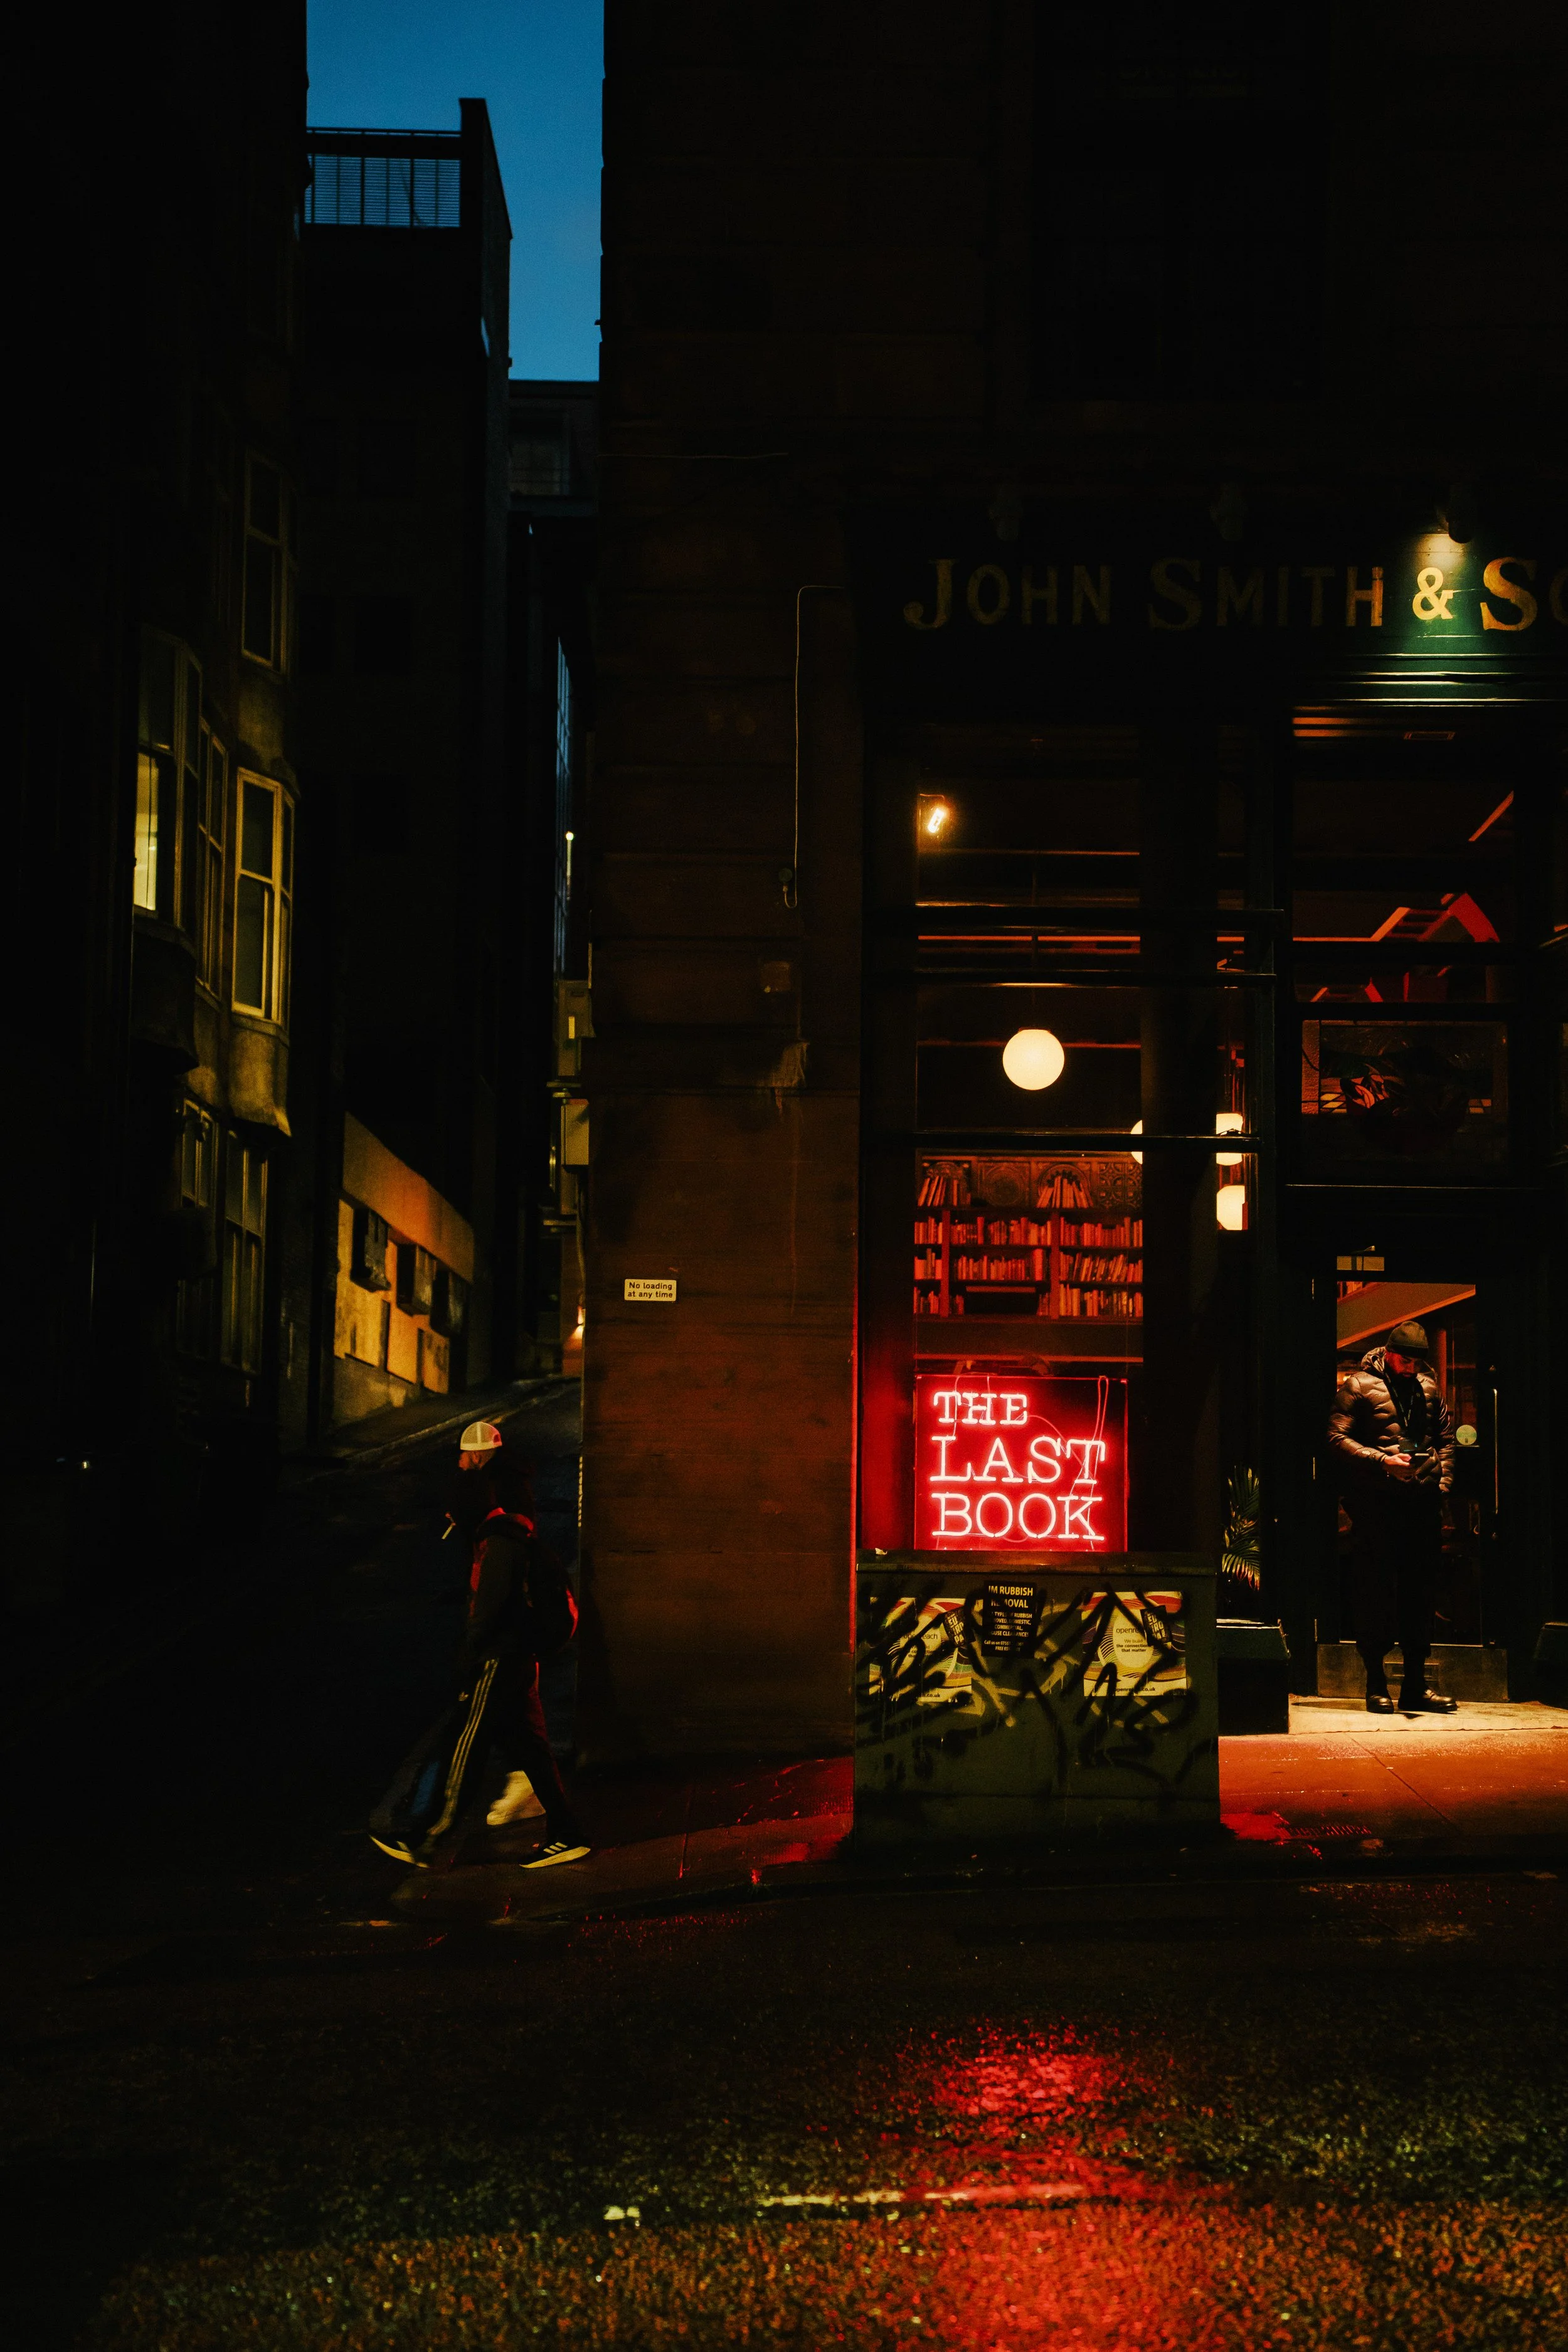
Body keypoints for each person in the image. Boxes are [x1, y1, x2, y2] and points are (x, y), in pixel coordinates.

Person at [420, 1419, 589, 1868]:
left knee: (467, 1741)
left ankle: (428, 1836)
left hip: (503, 1647)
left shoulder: (499, 1527)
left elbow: (496, 1586)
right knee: (530, 1745)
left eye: (462, 1459)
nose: (458, 1466)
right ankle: (567, 1830)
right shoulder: (512, 1499)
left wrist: (473, 1642)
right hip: (516, 1644)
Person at [1327, 1320, 1458, 1715]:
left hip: (1420, 1507)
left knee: (1420, 1596)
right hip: (1376, 1508)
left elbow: (1447, 1438)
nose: (1411, 1367)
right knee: (1376, 1594)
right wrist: (1383, 1461)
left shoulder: (1429, 1388)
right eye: (1405, 1359)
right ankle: (1375, 1685)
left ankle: (1416, 1687)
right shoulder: (1358, 1385)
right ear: (1388, 1352)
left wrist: (1443, 1482)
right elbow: (1335, 1437)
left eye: (1418, 1361)